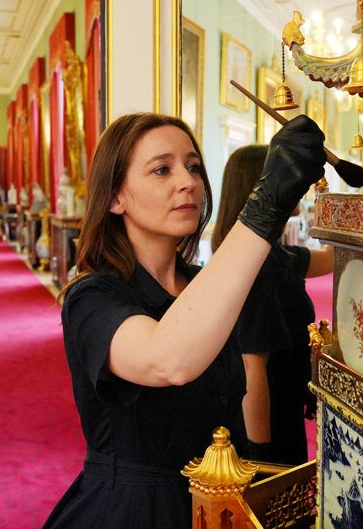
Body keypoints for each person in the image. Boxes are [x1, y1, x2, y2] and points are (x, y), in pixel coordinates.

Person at [44, 113, 326, 528]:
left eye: (193, 167)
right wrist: (264, 207)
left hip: (217, 507)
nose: (188, 182)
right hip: (135, 513)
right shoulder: (92, 297)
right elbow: (168, 359)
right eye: (162, 169)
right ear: (115, 198)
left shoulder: (201, 285)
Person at [212, 145, 333, 466]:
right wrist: (263, 459)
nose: (296, 184)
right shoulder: (258, 267)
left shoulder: (271, 254)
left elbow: (330, 259)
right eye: (287, 176)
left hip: (283, 403)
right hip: (268, 419)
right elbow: (253, 368)